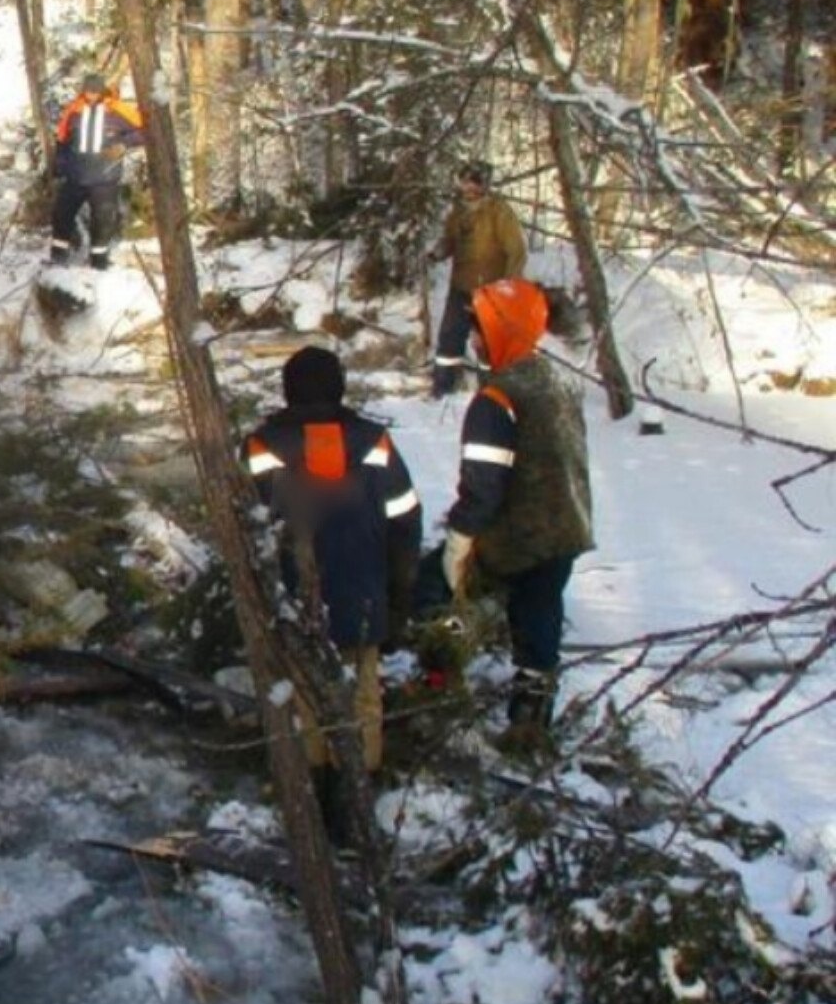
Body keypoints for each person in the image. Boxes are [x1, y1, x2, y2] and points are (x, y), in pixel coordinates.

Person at [242, 346, 421, 844]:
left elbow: (246, 529)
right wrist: (399, 597)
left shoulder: (263, 445)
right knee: (363, 696)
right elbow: (406, 520)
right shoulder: (374, 442)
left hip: (293, 601)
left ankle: (315, 806)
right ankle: (357, 805)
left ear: (288, 387)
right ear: (340, 386)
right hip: (364, 595)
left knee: (305, 698)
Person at [440, 277, 594, 748]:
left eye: (479, 330)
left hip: (519, 538)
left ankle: (437, 691)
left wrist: (460, 540)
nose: (473, 340)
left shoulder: (497, 400)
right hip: (566, 526)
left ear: (498, 331)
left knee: (442, 599)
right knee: (540, 623)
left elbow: (484, 485)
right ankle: (532, 715)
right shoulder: (557, 380)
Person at [429, 161, 527, 397]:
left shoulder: (499, 212)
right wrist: (437, 253)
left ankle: (490, 392)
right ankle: (443, 388)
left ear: (485, 185)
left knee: (488, 344)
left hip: (490, 291)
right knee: (449, 339)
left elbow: (516, 251)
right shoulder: (458, 212)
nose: (469, 189)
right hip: (461, 286)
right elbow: (450, 240)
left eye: (475, 184)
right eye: (465, 184)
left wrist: (508, 287)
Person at [50, 72, 144, 270]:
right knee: (61, 214)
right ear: (83, 91)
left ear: (102, 91)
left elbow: (144, 129)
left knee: (102, 220)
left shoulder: (118, 109)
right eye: (88, 91)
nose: (91, 95)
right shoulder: (74, 110)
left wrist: (124, 144)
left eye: (95, 92)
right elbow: (62, 138)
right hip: (76, 175)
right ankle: (58, 257)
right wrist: (60, 165)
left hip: (105, 176)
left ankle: (99, 262)